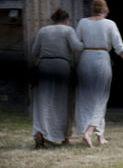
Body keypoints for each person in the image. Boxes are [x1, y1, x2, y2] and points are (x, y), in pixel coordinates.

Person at [75, 0, 123, 148]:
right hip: (101, 59)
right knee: (101, 97)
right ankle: (89, 131)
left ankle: (100, 136)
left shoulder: (82, 22)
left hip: (85, 59)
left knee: (87, 97)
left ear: (92, 9)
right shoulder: (110, 24)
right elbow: (120, 48)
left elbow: (77, 45)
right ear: (105, 9)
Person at [31, 8, 83, 148]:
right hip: (61, 66)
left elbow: (34, 51)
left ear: (53, 20)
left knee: (43, 102)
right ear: (66, 20)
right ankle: (64, 137)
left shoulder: (43, 31)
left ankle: (40, 133)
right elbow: (77, 47)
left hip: (44, 66)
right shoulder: (68, 30)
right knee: (63, 103)